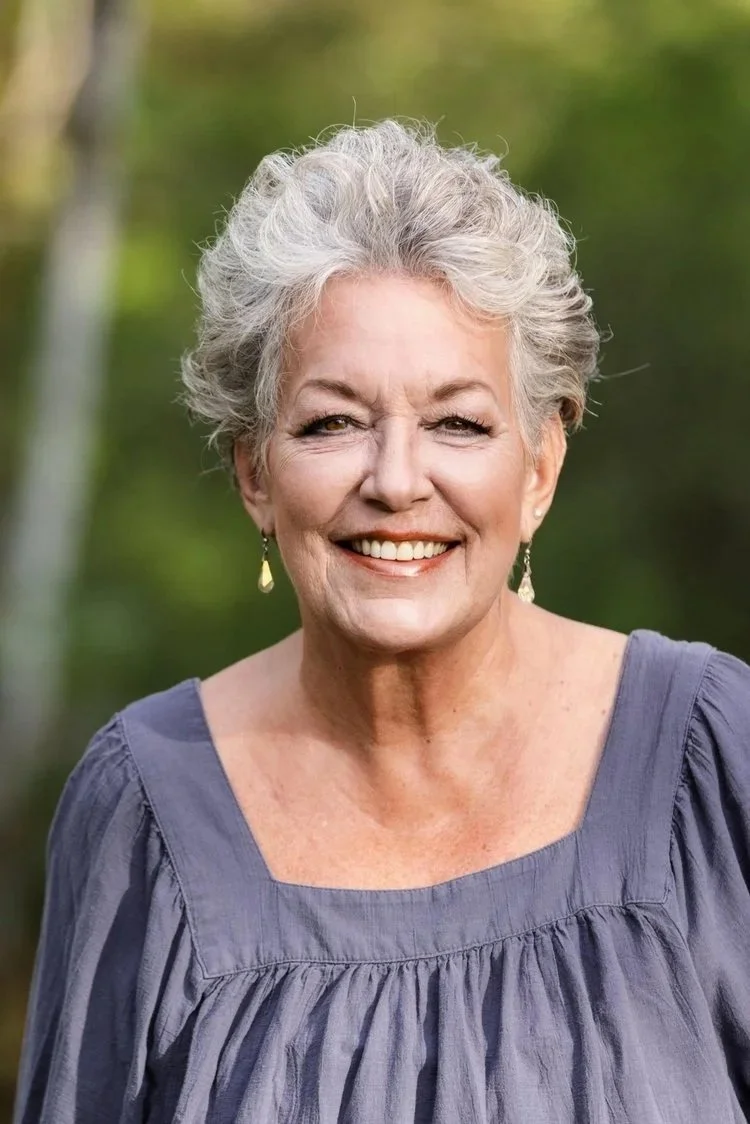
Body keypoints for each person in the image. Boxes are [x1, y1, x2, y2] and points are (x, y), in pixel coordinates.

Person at [13, 119, 750, 1124]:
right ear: (254, 474)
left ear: (539, 467)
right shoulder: (141, 805)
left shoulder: (716, 754)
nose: (397, 481)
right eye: (331, 422)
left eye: (457, 421)